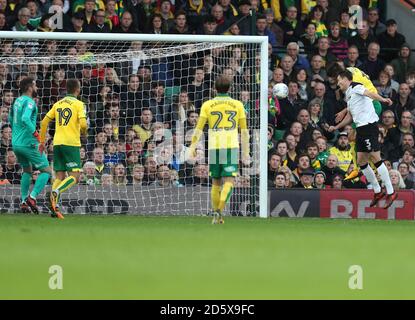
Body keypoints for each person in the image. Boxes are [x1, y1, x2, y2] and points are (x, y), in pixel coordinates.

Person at [329, 70, 397, 209]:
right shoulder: (348, 94)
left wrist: (383, 99)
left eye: (339, 80)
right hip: (360, 129)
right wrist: (336, 127)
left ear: (345, 79)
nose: (338, 83)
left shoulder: (356, 87)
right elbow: (350, 116)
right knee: (361, 161)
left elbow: (370, 94)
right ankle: (378, 191)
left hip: (369, 127)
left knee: (375, 158)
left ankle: (391, 192)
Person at [189, 75, 249, 224]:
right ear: (230, 88)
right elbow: (244, 131)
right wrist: (246, 151)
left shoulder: (207, 105)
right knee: (229, 180)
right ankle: (219, 210)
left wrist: (192, 147)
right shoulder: (238, 104)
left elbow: (198, 128)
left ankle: (217, 215)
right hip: (231, 146)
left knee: (216, 183)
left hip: (214, 146)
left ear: (215, 88)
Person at [39, 79, 88, 219]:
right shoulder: (79, 104)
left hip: (57, 143)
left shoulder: (58, 104)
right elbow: (84, 124)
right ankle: (57, 192)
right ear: (77, 90)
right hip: (71, 143)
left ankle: (54, 207)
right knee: (75, 176)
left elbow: (44, 122)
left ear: (66, 89)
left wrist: (42, 142)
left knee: (60, 176)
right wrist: (84, 132)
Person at [9, 77, 52, 214]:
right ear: (29, 88)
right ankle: (32, 197)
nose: (37, 88)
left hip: (16, 143)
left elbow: (11, 118)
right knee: (47, 171)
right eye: (35, 85)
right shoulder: (30, 102)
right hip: (29, 143)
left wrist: (17, 133)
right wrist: (37, 135)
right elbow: (26, 118)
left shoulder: (17, 101)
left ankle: (23, 202)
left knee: (27, 170)